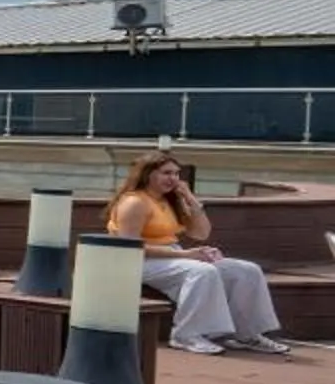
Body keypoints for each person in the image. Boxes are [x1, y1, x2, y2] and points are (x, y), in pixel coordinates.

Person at [107, 151, 292, 356]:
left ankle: (246, 335)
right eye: (166, 173)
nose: (173, 179)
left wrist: (190, 199)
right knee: (202, 272)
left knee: (246, 271)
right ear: (147, 174)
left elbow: (201, 233)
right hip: (137, 260)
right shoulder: (134, 202)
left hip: (170, 256)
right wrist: (186, 256)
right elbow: (129, 246)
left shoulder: (169, 201)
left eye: (177, 174)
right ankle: (185, 335)